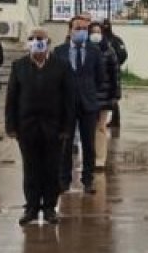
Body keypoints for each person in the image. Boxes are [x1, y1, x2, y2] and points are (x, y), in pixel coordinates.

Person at [7, 28, 76, 226]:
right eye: (32, 39)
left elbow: (69, 99)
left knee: (51, 169)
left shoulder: (61, 66)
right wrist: (11, 125)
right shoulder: (19, 66)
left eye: (40, 39)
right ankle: (31, 207)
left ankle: (49, 208)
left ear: (48, 42)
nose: (36, 42)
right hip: (26, 127)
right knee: (30, 169)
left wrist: (66, 127)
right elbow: (12, 97)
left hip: (53, 127)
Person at [54, 15, 104, 194]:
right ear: (70, 30)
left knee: (88, 144)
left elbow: (100, 77)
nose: (81, 31)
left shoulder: (94, 51)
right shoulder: (59, 51)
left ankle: (88, 180)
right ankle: (63, 180)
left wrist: (90, 93)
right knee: (65, 143)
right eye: (78, 28)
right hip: (65, 106)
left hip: (88, 104)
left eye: (85, 29)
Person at [89, 21, 122, 171]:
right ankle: (89, 156)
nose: (96, 34)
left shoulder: (109, 51)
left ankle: (100, 159)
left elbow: (115, 74)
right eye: (93, 31)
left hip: (104, 96)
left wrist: (115, 95)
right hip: (87, 96)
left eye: (98, 31)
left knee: (101, 127)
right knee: (88, 128)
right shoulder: (84, 50)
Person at [101, 19, 128, 128]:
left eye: (107, 25)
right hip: (102, 72)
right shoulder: (100, 39)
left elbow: (124, 54)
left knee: (114, 96)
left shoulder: (116, 40)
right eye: (104, 26)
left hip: (112, 71)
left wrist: (116, 64)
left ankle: (115, 120)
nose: (106, 27)